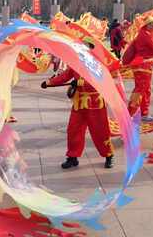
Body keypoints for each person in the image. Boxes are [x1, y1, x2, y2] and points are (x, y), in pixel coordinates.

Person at [41, 37, 115, 169]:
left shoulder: (97, 62)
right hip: (79, 102)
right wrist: (49, 82)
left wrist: (83, 82)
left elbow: (100, 79)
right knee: (73, 130)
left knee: (100, 131)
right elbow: (66, 75)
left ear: (91, 48)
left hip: (95, 103)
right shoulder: (76, 61)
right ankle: (72, 157)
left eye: (84, 46)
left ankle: (108, 155)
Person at [125, 16, 153, 122]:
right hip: (142, 65)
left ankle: (144, 113)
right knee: (140, 90)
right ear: (148, 25)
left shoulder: (145, 34)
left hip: (144, 65)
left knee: (145, 90)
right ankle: (130, 113)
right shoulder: (145, 35)